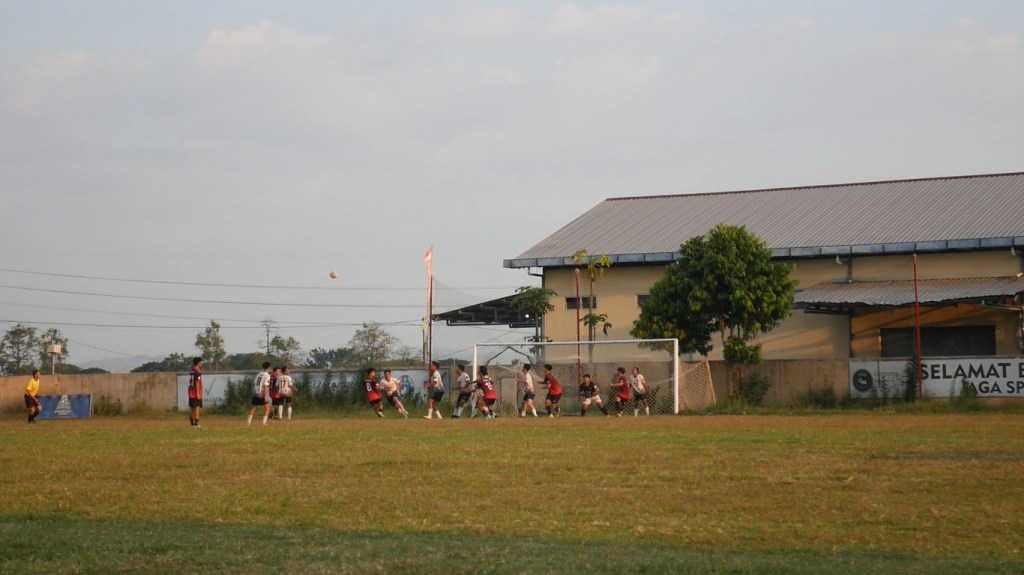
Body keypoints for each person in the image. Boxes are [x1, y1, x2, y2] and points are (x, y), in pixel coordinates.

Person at [247, 362, 273, 426]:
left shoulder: (259, 374)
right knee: (267, 408)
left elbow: (255, 383)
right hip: (261, 393)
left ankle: (248, 422)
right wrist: (266, 396)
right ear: (269, 368)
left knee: (253, 407)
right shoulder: (267, 375)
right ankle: (264, 423)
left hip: (255, 392)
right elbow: (265, 385)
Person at [188, 357, 203, 428]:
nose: (201, 363)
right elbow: (197, 382)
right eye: (201, 362)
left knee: (191, 408)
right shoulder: (197, 371)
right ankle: (196, 424)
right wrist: (197, 393)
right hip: (195, 391)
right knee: (197, 407)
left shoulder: (192, 370)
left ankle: (191, 424)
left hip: (191, 391)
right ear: (198, 362)